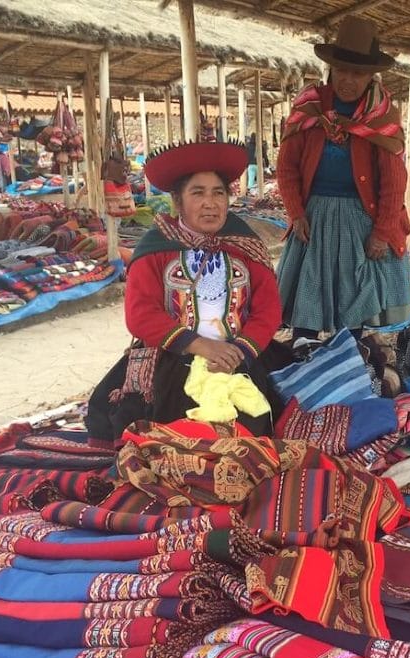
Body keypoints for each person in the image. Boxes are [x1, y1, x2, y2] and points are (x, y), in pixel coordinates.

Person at [86, 141, 286, 445]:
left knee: (253, 427)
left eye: (218, 193)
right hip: (172, 356)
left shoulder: (246, 245)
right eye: (198, 193)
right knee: (173, 431)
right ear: (178, 202)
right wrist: (200, 346)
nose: (210, 203)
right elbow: (141, 314)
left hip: (239, 355)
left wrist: (239, 352)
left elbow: (268, 310)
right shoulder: (155, 247)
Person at [276, 16, 410, 340]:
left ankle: (348, 361)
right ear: (330, 70)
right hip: (313, 219)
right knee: (306, 301)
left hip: (359, 220)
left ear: (371, 76)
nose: (348, 80)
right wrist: (296, 213)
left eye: (358, 73)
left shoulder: (381, 116)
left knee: (353, 299)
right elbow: (287, 169)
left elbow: (394, 183)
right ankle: (303, 363)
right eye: (342, 71)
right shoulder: (310, 108)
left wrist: (382, 233)